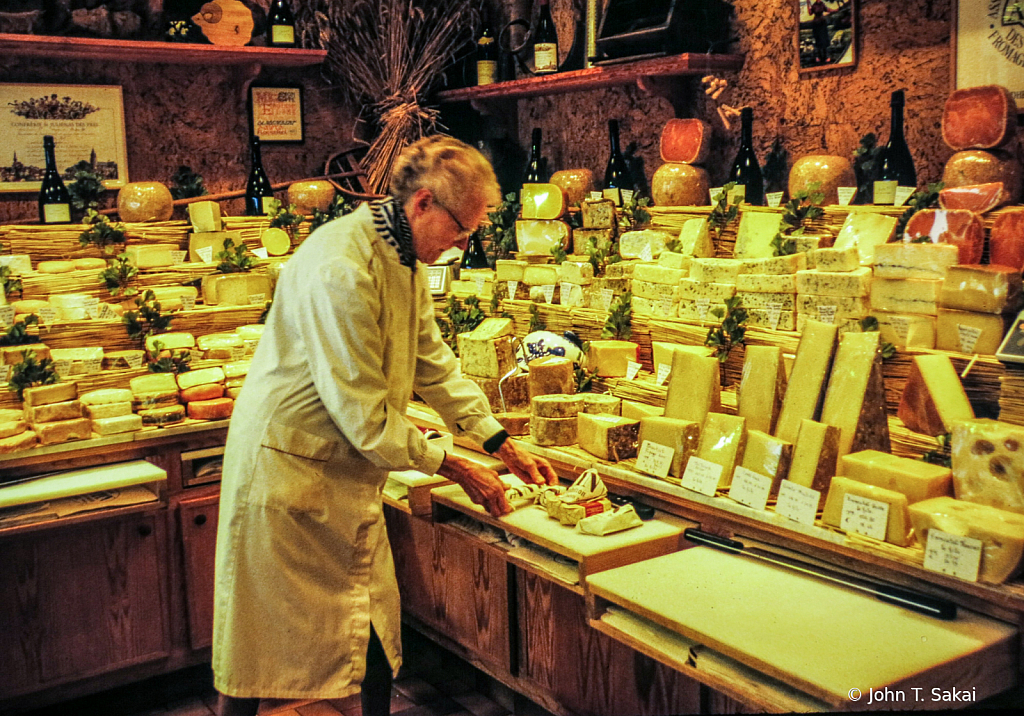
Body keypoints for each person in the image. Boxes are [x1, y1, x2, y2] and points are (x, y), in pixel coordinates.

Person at [211, 135, 559, 716]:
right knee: (254, 653)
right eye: (461, 229)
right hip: (288, 470)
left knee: (371, 641)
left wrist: (498, 438)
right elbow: (365, 417)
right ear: (423, 203)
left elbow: (432, 358)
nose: (461, 244)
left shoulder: (401, 254)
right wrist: (453, 463)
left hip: (340, 477)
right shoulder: (340, 267)